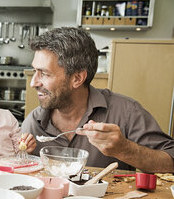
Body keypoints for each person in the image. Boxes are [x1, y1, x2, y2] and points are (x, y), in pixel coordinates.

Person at [22, 27, 174, 172]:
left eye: (45, 74)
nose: (33, 83)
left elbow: (171, 162)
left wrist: (125, 149)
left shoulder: (126, 113)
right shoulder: (33, 123)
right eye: (35, 71)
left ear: (77, 78)